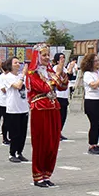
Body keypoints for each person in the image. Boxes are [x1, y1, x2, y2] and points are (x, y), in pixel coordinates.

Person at [26, 44, 67, 187]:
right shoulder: (32, 73)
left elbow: (63, 86)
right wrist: (58, 72)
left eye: (48, 55)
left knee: (52, 143)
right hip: (40, 109)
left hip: (53, 107)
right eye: (44, 55)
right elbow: (44, 87)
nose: (47, 58)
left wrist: (61, 73)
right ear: (37, 56)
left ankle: (47, 174)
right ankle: (38, 175)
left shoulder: (49, 71)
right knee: (41, 143)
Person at [0, 57, 29, 163]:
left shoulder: (22, 76)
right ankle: (12, 153)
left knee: (23, 133)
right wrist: (23, 75)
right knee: (15, 133)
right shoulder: (8, 77)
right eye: (15, 62)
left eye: (19, 62)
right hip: (13, 109)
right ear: (10, 65)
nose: (18, 64)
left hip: (23, 108)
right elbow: (17, 86)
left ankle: (19, 152)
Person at [80, 52, 99, 155]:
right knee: (94, 123)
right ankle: (92, 145)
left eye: (98, 60)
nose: (98, 62)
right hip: (92, 100)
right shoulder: (88, 74)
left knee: (98, 124)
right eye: (95, 61)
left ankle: (96, 144)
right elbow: (94, 85)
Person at [53, 52, 71, 141]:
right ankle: (56, 132)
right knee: (59, 116)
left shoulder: (64, 68)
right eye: (61, 58)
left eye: (64, 57)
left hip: (64, 95)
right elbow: (58, 77)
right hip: (58, 95)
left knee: (63, 115)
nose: (63, 59)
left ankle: (59, 131)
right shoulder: (56, 68)